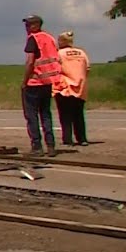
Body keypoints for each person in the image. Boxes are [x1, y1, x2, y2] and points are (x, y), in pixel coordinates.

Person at [21, 14, 63, 157]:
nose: (27, 28)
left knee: (31, 115)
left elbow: (30, 62)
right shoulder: (50, 38)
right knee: (45, 114)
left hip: (34, 81)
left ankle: (37, 146)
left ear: (37, 25)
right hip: (48, 82)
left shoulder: (34, 39)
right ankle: (51, 146)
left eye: (29, 25)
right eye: (26, 25)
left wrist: (24, 81)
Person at [53, 31, 90, 147]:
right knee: (78, 115)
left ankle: (68, 139)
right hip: (80, 87)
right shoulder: (82, 52)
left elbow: (55, 69)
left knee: (65, 115)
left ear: (62, 41)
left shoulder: (59, 53)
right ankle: (82, 138)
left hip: (64, 87)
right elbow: (87, 68)